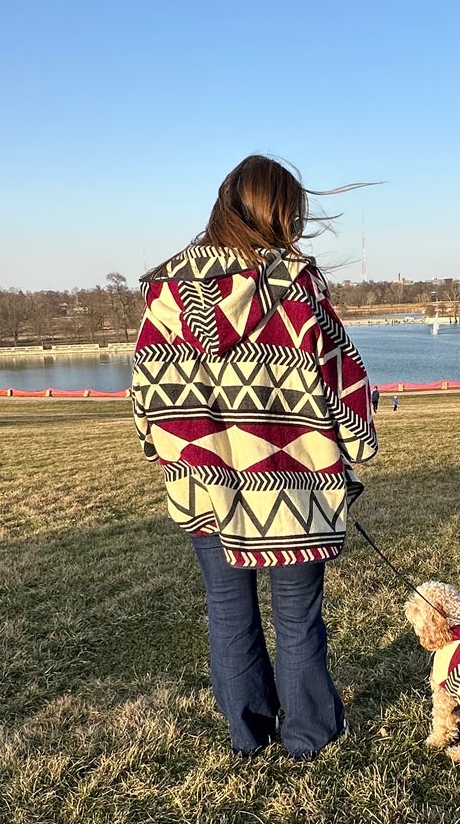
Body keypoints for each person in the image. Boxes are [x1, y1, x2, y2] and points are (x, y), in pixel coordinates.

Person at [131, 156, 378, 758]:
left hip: (206, 482)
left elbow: (147, 394)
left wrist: (169, 454)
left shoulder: (168, 288)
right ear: (281, 212)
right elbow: (343, 380)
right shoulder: (298, 286)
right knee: (297, 619)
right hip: (296, 484)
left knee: (227, 612)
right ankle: (309, 736)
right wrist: (356, 447)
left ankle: (249, 735)